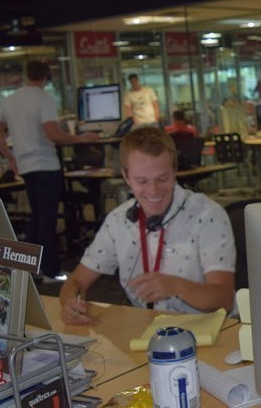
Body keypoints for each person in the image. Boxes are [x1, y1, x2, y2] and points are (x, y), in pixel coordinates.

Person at [58, 126, 235, 324]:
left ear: (175, 170)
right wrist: (70, 303)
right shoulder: (118, 220)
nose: (153, 190)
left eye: (162, 178)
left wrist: (176, 286)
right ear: (126, 176)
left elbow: (224, 299)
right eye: (141, 181)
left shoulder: (208, 215)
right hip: (146, 330)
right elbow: (76, 281)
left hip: (205, 328)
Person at [0, 60, 99, 283]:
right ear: (47, 77)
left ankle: (28, 268)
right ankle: (51, 271)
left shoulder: (9, 100)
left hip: (26, 167)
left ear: (26, 73)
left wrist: (10, 157)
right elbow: (52, 133)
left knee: (37, 218)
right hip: (46, 165)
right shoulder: (44, 98)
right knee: (47, 220)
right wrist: (80, 138)